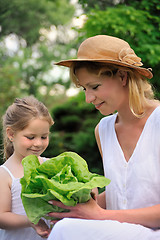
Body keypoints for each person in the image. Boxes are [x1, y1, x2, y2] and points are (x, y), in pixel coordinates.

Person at [47, 35, 160, 240]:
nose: (88, 98)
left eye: (95, 87)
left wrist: (101, 215)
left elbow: (106, 214)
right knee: (62, 227)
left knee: (65, 232)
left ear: (123, 77)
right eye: (84, 89)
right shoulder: (104, 129)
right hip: (120, 231)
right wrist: (76, 207)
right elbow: (123, 192)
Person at [0, 96, 54, 240]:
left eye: (44, 137)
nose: (38, 143)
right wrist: (31, 221)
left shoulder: (51, 166)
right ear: (11, 134)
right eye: (31, 137)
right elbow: (1, 217)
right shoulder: (5, 174)